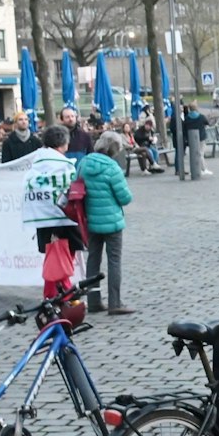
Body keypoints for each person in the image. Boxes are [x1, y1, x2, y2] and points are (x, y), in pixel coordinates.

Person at [73, 131, 135, 314]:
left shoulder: (84, 163)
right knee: (114, 261)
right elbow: (125, 198)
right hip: (112, 223)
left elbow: (77, 185)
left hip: (90, 220)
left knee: (93, 259)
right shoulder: (112, 168)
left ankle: (94, 301)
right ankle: (115, 303)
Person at [180, 101, 208, 179]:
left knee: (193, 154)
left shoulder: (187, 118)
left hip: (191, 138)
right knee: (200, 153)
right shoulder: (201, 117)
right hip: (201, 137)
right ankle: (203, 168)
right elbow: (207, 122)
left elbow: (184, 128)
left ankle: (194, 169)